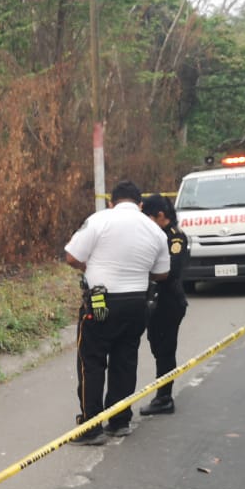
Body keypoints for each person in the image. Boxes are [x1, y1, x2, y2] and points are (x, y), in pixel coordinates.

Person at [64, 180, 170, 444]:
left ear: (111, 202)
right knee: (125, 359)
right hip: (136, 302)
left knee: (92, 358)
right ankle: (120, 421)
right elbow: (162, 273)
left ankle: (90, 426)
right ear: (140, 204)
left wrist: (89, 267)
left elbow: (71, 257)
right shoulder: (155, 230)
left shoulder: (100, 220)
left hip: (100, 299)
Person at [139, 195, 188, 416]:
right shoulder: (155, 235)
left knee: (166, 350)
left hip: (169, 301)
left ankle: (164, 398)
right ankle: (163, 394)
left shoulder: (175, 238)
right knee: (157, 347)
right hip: (154, 302)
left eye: (148, 217)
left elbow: (172, 270)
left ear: (160, 215)